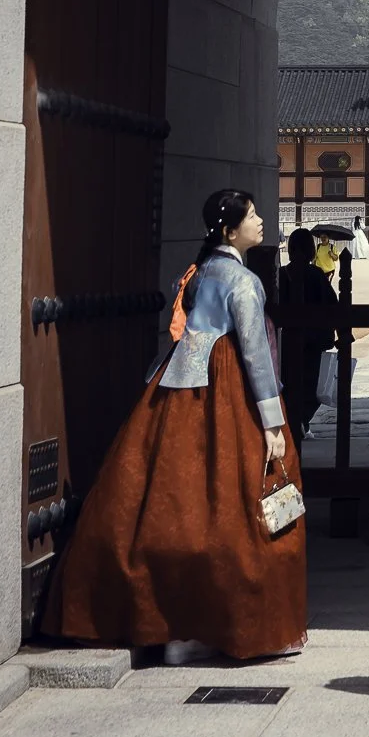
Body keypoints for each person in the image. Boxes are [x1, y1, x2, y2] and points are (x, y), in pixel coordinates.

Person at [42, 190, 305, 664]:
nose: (261, 221)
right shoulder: (243, 282)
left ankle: (171, 622)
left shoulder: (199, 272)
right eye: (252, 216)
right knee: (234, 509)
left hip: (178, 389)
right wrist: (272, 422)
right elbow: (257, 357)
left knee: (172, 501)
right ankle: (223, 623)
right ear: (230, 231)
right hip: (229, 394)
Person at [277, 227, 343, 447]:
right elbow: (332, 305)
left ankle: (293, 421)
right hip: (314, 338)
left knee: (288, 380)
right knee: (313, 384)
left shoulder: (281, 275)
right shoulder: (315, 275)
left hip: (288, 339)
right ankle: (302, 419)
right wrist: (342, 332)